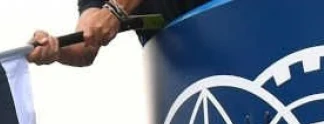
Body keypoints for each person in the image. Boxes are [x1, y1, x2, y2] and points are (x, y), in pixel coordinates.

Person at [27, 1, 210, 68]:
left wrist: (116, 9)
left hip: (232, 41)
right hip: (183, 77)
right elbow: (85, 45)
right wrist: (54, 48)